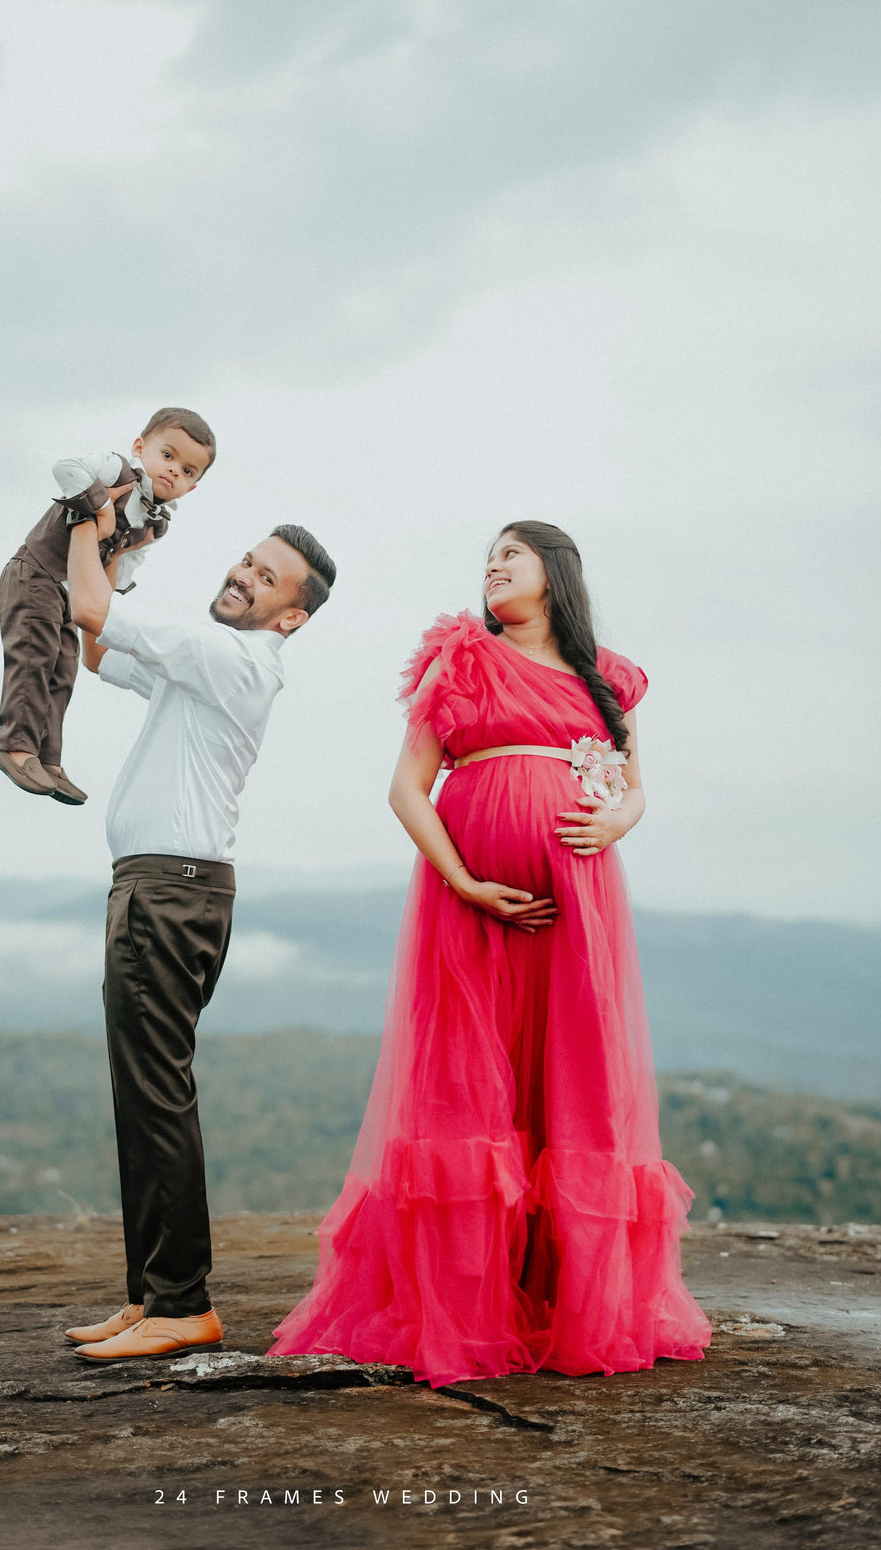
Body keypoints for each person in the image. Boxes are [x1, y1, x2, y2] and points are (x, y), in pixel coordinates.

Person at [270, 520, 711, 1387]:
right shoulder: (462, 658)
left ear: (555, 572)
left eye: (512, 552)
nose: (494, 566)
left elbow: (631, 784)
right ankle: (470, 1307)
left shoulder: (605, 680)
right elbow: (407, 787)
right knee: (471, 1088)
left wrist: (621, 816)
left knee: (571, 1079)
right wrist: (465, 881)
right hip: (471, 908)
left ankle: (563, 1299)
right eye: (488, 558)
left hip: (578, 908)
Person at [61, 516, 337, 1361]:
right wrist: (117, 550)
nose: (245, 574)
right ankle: (152, 1294)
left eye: (268, 577)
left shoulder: (237, 660)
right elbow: (99, 647)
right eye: (248, 560)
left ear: (290, 615)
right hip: (157, 888)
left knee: (157, 1095)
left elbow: (89, 605)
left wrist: (83, 515)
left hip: (169, 893)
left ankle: (183, 1302)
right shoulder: (203, 667)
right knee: (141, 1098)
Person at [0, 406, 216, 805]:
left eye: (187, 471)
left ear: (193, 487)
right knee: (35, 656)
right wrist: (100, 507)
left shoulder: (154, 522)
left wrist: (112, 608)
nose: (174, 472)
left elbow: (125, 562)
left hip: (68, 593)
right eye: (168, 456)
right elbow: (67, 468)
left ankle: (49, 761)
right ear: (139, 447)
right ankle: (15, 746)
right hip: (36, 572)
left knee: (63, 668)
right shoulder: (116, 471)